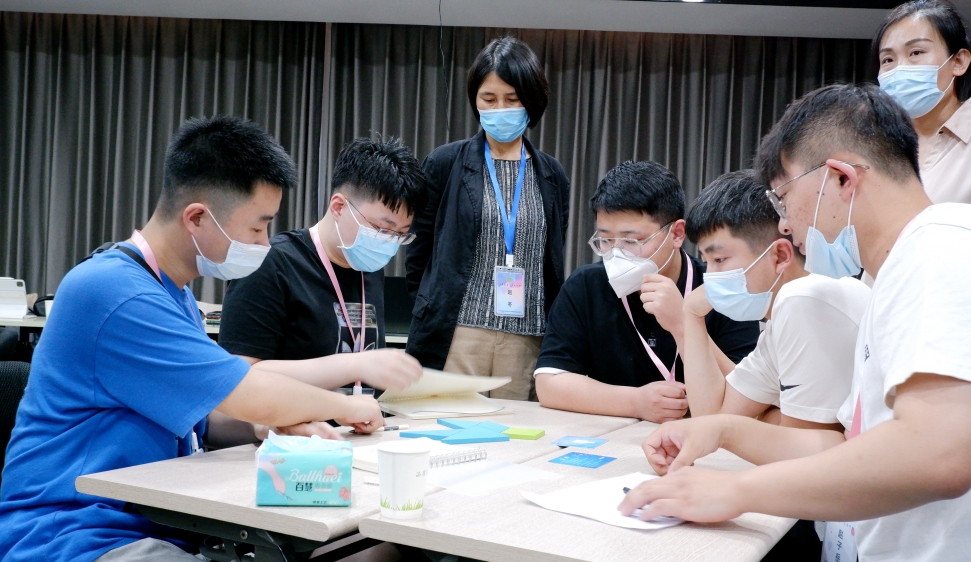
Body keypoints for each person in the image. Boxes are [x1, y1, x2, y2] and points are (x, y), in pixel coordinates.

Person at [619, 83, 971, 562]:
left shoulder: (941, 251)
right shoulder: (901, 269)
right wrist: (723, 431)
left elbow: (938, 454)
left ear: (840, 179)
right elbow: (846, 444)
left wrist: (735, 491)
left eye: (784, 198)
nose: (785, 223)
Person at [0, 117, 391, 562]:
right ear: (198, 218)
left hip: (160, 520)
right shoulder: (113, 291)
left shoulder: (175, 293)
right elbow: (249, 391)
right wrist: (348, 406)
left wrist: (264, 426)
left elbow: (205, 416)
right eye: (257, 228)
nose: (264, 243)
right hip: (75, 531)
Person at [405, 36, 570, 401]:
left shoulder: (552, 175)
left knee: (517, 432)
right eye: (489, 99)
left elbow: (551, 259)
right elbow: (418, 251)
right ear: (475, 100)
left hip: (527, 337)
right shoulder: (445, 163)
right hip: (458, 333)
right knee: (449, 428)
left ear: (532, 101)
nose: (500, 109)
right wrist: (430, 308)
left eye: (512, 99)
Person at [533, 161, 760, 423]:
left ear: (676, 234)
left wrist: (684, 324)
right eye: (605, 240)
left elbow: (747, 393)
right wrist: (635, 402)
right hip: (611, 433)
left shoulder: (718, 289)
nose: (616, 253)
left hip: (703, 433)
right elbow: (549, 383)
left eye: (632, 241)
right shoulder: (585, 286)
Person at [219, 137, 426, 395]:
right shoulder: (272, 264)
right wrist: (353, 366)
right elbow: (238, 375)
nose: (387, 243)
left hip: (360, 419)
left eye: (400, 235)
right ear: (338, 207)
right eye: (381, 228)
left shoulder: (369, 267)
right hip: (292, 421)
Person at [682, 169, 869, 430]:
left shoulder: (804, 298)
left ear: (780, 256)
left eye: (719, 260)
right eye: (706, 261)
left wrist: (766, 416)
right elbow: (712, 418)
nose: (710, 276)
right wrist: (691, 315)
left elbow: (799, 446)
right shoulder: (781, 317)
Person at [874, 0, 971, 211]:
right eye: (887, 59)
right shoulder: (877, 144)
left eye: (916, 52)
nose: (899, 68)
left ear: (958, 62)